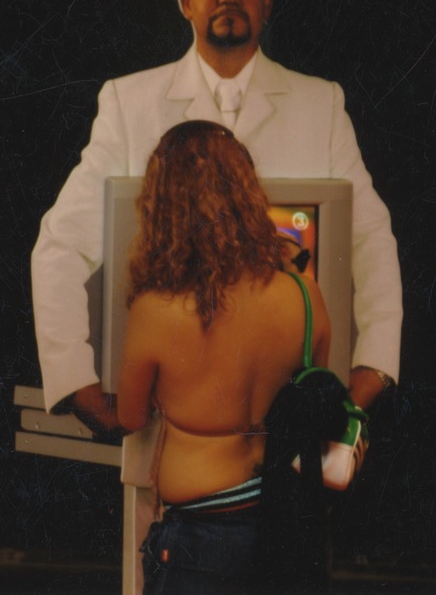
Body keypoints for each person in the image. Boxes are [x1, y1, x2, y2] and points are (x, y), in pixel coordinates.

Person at [31, 0, 401, 429]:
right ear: (186, 0)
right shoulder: (129, 104)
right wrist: (77, 382)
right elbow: (60, 246)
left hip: (288, 421)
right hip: (167, 429)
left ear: (266, 2)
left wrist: (373, 370)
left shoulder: (321, 106)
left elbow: (372, 242)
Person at [115, 120, 332, 593]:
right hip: (283, 527)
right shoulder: (305, 294)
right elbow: (312, 391)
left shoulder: (156, 310)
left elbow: (130, 417)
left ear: (165, 207)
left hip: (199, 537)